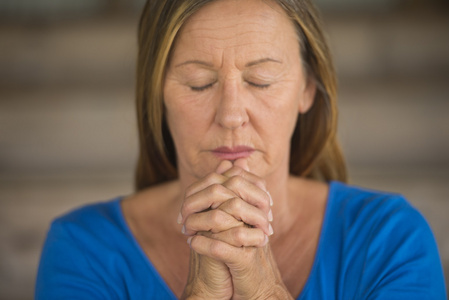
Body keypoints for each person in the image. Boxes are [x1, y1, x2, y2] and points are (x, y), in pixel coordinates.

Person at [35, 0, 447, 299]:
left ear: (307, 88)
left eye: (262, 80)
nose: (231, 115)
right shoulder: (83, 248)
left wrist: (266, 291)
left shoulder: (391, 239)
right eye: (199, 83)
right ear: (156, 93)